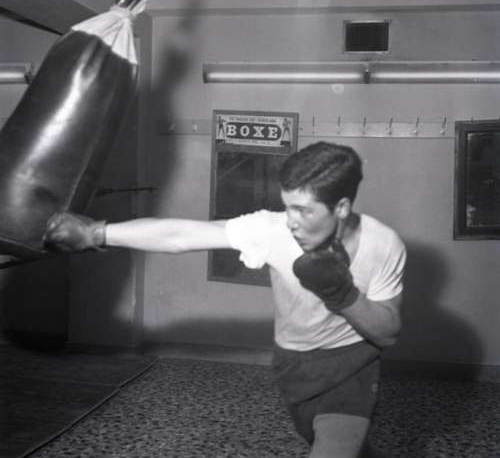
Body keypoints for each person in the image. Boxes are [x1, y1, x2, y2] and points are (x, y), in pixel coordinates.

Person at [44, 141, 406, 458]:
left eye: (304, 210)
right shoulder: (272, 230)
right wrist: (96, 233)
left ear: (341, 207)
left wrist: (342, 294)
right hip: (294, 362)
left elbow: (387, 332)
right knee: (338, 445)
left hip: (352, 363)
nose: (291, 222)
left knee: (335, 448)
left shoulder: (383, 244)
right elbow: (181, 235)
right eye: (288, 207)